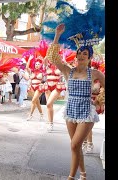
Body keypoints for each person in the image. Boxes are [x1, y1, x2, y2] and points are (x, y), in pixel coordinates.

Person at [45, 23, 105, 180]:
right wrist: (57, 35)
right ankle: (83, 174)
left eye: (85, 53)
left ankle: (71, 177)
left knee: (74, 145)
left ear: (90, 57)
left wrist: (100, 100)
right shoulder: (67, 70)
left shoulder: (95, 73)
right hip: (71, 109)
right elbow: (52, 57)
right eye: (79, 53)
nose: (81, 55)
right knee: (76, 146)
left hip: (86, 111)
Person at [43, 58, 66, 132]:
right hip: (48, 86)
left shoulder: (60, 64)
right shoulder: (47, 65)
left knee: (49, 104)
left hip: (56, 86)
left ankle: (50, 123)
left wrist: (63, 61)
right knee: (49, 105)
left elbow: (65, 69)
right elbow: (45, 59)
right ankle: (50, 123)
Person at [26, 55, 45, 121]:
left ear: (40, 65)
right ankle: (41, 114)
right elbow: (27, 67)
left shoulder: (42, 72)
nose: (37, 65)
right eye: (36, 64)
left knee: (34, 100)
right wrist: (29, 59)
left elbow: (45, 65)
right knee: (37, 102)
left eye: (38, 64)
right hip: (32, 87)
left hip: (39, 87)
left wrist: (43, 60)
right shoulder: (32, 71)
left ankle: (30, 115)